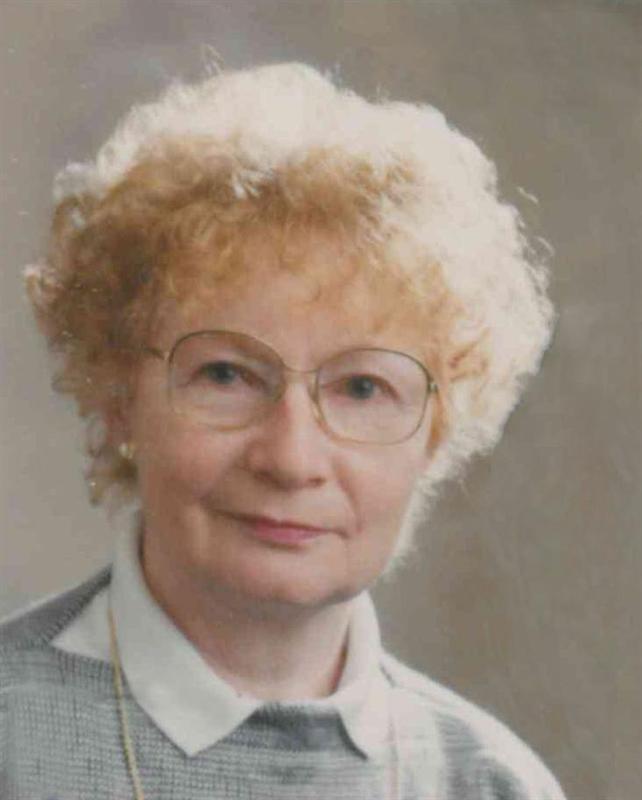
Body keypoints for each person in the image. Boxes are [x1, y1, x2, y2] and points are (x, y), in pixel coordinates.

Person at [0, 62, 567, 799]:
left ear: (436, 430)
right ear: (118, 396)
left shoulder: (491, 784)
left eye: (362, 388)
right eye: (227, 375)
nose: (292, 459)